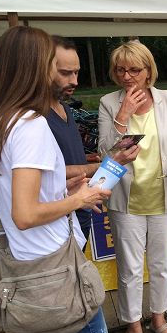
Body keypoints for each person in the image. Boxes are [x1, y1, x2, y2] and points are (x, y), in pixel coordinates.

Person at [0, 26, 114, 333]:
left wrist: (60, 187)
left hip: (27, 264)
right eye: (53, 62)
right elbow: (25, 214)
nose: (61, 73)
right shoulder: (30, 125)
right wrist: (78, 199)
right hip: (56, 268)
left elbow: (1, 195)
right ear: (35, 65)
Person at [98, 41, 167, 333]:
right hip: (127, 200)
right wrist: (123, 114)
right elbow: (105, 154)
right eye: (120, 69)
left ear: (149, 70)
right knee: (130, 269)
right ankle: (133, 327)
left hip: (164, 193)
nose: (127, 76)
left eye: (134, 69)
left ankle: (159, 318)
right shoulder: (109, 102)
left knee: (162, 264)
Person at [47, 36, 139, 241]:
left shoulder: (65, 109)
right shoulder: (35, 117)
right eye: (65, 73)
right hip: (56, 219)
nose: (75, 81)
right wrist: (111, 163)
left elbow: (70, 160)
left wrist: (99, 163)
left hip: (81, 210)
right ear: (42, 69)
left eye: (77, 72)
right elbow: (45, 173)